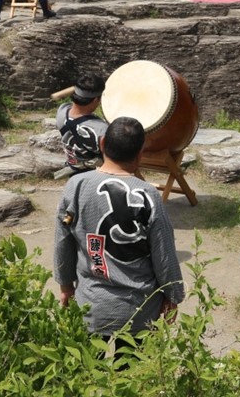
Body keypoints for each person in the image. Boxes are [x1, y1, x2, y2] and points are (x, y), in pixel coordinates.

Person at [54, 116, 184, 347]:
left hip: (91, 302)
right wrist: (173, 296)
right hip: (139, 308)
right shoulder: (148, 194)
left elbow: (63, 240)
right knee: (132, 376)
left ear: (102, 143)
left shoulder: (77, 185)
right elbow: (164, 252)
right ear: (140, 152)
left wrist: (65, 284)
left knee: (91, 375)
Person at [56, 73, 109, 173]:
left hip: (74, 170)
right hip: (95, 176)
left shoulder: (62, 111)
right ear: (95, 100)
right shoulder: (101, 129)